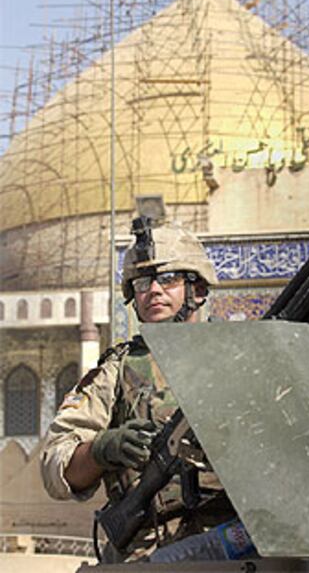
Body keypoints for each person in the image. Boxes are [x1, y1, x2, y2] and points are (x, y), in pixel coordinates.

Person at [40, 216, 242, 562]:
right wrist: (102, 449)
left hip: (235, 549)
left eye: (168, 278)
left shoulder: (242, 360)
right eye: (143, 282)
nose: (154, 290)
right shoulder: (117, 370)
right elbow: (55, 468)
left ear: (199, 288)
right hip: (147, 555)